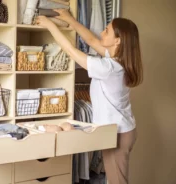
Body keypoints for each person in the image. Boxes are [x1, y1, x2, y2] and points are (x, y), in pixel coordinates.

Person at [35, 9, 143, 184]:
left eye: (106, 30)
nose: (102, 32)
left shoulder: (109, 67)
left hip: (118, 133)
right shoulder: (118, 59)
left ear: (118, 40)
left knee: (117, 181)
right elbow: (91, 40)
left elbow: (71, 51)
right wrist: (69, 19)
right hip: (122, 129)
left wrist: (50, 26)